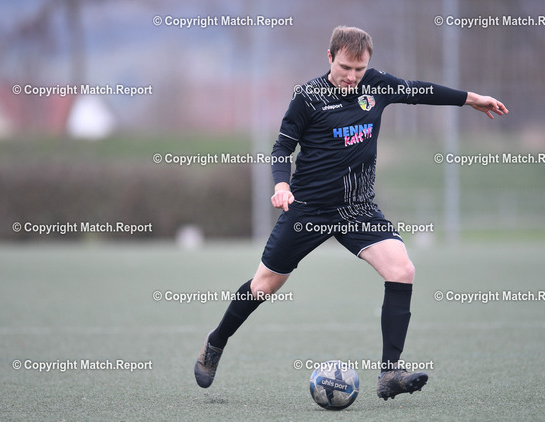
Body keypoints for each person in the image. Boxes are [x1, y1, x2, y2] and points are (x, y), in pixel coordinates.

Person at [195, 25, 508, 401]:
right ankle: (215, 343)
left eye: (359, 69)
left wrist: (471, 99)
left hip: (358, 208)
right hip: (309, 209)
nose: (352, 76)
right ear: (329, 57)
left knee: (402, 270)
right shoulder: (308, 97)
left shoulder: (376, 84)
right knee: (263, 286)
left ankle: (390, 373)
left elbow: (418, 90)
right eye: (345, 67)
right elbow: (281, 149)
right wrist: (281, 186)